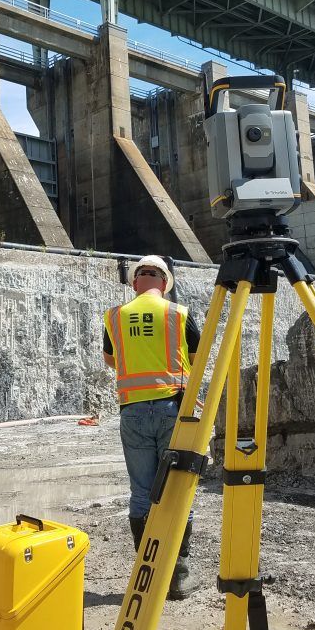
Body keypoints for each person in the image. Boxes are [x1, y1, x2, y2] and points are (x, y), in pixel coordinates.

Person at [103, 255, 201, 599]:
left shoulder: (115, 316)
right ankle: (178, 576)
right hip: (173, 409)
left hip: (132, 412)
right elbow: (198, 356)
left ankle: (148, 572)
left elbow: (111, 358)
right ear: (164, 283)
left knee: (141, 492)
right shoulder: (178, 314)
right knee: (177, 491)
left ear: (135, 283)